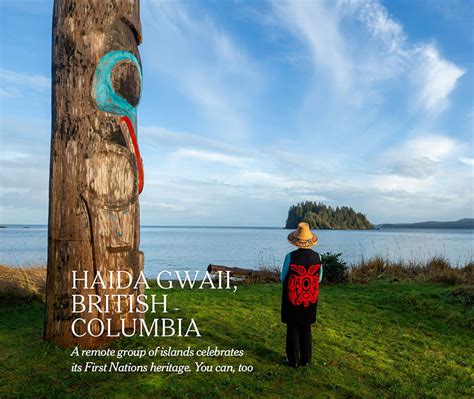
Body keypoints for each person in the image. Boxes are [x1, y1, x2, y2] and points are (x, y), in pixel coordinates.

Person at [280, 222, 323, 368]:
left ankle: (293, 360)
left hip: (293, 298)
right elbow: (319, 278)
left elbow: (282, 277)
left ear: (296, 241)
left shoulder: (290, 257)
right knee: (306, 328)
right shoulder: (318, 257)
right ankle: (306, 359)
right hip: (310, 299)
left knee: (292, 328)